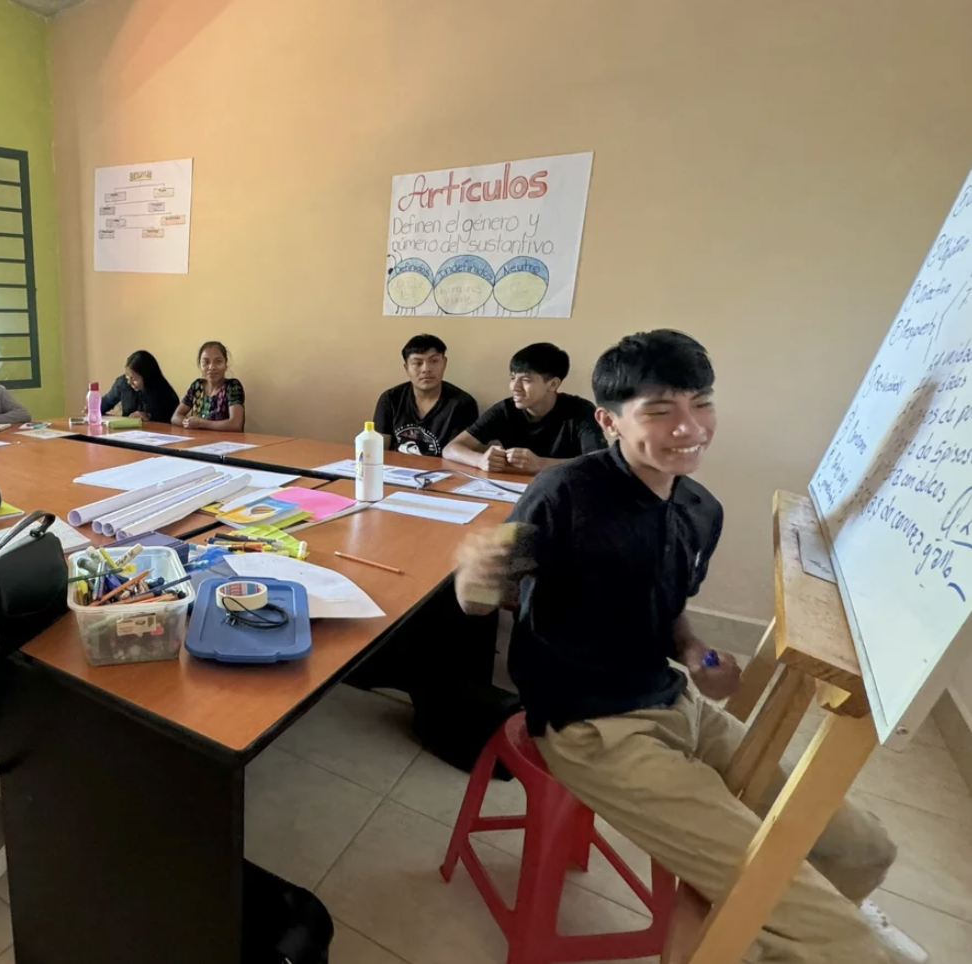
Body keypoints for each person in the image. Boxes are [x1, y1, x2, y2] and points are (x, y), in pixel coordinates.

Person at [452, 330, 923, 964]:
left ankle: (759, 939)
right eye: (659, 410)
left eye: (701, 403)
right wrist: (474, 576)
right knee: (839, 936)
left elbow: (668, 608)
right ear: (609, 422)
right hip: (590, 726)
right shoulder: (564, 493)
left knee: (863, 849)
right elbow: (481, 602)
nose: (689, 427)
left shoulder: (701, 508)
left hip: (676, 703)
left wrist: (697, 653)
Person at [443, 342, 604, 474]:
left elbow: (599, 462)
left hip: (567, 488)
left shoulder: (581, 410)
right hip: (515, 489)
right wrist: (479, 460)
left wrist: (541, 463)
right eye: (513, 378)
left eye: (526, 380)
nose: (515, 387)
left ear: (552, 384)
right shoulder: (505, 409)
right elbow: (450, 449)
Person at [372, 334, 479, 456]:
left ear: (444, 363)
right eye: (417, 363)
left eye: (434, 361)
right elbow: (379, 451)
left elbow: (460, 455)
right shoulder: (390, 399)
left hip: (441, 468)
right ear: (406, 368)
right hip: (396, 467)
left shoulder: (462, 404)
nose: (426, 369)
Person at [172, 341, 245, 432]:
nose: (211, 367)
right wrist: (188, 422)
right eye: (206, 362)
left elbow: (235, 425)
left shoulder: (232, 386)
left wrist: (201, 423)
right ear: (200, 365)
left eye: (218, 362)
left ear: (225, 365)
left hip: (225, 440)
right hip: (198, 439)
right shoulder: (197, 386)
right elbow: (175, 417)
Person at [99, 349, 178, 422]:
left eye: (134, 379)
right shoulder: (123, 383)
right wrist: (94, 409)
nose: (129, 382)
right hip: (127, 430)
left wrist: (149, 416)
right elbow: (106, 402)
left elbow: (171, 418)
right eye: (127, 377)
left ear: (147, 377)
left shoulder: (164, 393)